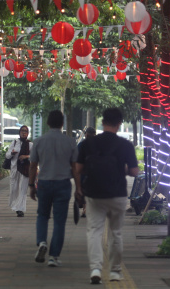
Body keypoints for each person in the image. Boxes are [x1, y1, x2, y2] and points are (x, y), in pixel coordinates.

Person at [73, 107, 140, 284]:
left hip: (94, 194)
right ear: (119, 124)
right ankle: (115, 272)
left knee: (94, 231)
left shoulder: (88, 144)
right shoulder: (125, 145)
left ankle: (95, 269)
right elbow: (134, 172)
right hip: (117, 194)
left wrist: (89, 174)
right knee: (115, 232)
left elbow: (78, 169)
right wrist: (121, 169)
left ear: (102, 122)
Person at [28, 110, 78, 268]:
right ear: (62, 123)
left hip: (44, 183)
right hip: (63, 184)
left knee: (42, 215)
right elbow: (75, 167)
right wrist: (79, 188)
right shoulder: (70, 142)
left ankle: (42, 241)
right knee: (59, 221)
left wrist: (31, 185)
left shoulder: (39, 141)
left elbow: (33, 165)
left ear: (48, 123)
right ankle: (53, 257)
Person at [6, 125, 31, 217]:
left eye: (25, 131)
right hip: (15, 168)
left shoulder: (30, 144)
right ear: (19, 132)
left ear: (27, 133)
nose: (24, 132)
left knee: (22, 189)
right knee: (14, 189)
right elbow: (7, 155)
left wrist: (26, 156)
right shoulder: (15, 142)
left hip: (25, 169)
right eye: (22, 131)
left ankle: (20, 209)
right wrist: (12, 153)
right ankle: (15, 206)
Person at [77, 127, 97, 219]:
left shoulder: (81, 145)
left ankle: (85, 209)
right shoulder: (98, 145)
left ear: (86, 135)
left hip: (83, 172)